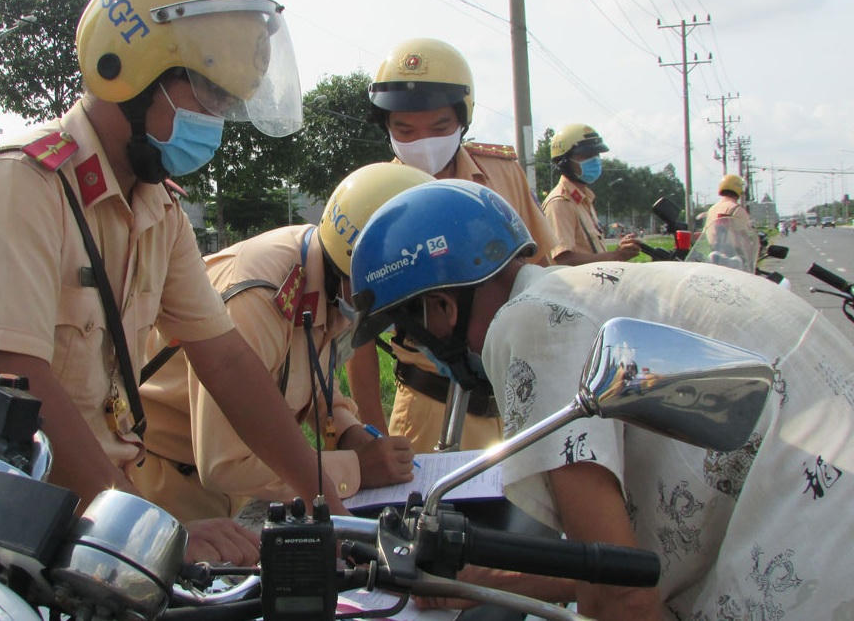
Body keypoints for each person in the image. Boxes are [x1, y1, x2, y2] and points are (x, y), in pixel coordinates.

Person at [0, 0, 338, 565]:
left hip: (88, 525)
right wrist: (145, 538)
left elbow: (225, 359)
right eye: (208, 94)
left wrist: (327, 502)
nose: (215, 120)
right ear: (132, 72)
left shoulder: (156, 209)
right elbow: (19, 381)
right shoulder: (21, 186)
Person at [349, 179, 853, 619]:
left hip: (809, 546)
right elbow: (610, 566)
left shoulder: (531, 324)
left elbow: (620, 595)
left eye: (409, 334)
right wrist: (479, 581)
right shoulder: (575, 295)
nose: (418, 350)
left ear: (441, 308)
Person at [130, 163, 428, 522]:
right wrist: (355, 469)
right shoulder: (257, 298)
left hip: (241, 486)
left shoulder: (332, 279)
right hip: (163, 486)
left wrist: (350, 433)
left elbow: (311, 375)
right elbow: (224, 463)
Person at [345, 37, 553, 453]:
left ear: (463, 119)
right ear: (386, 128)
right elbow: (358, 335)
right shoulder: (371, 201)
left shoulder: (503, 175)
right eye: (405, 130)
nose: (423, 141)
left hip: (521, 400)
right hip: (430, 407)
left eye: (439, 128)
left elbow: (543, 271)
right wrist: (374, 437)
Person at [541, 123, 641, 265]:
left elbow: (590, 253)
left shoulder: (584, 200)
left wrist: (619, 251)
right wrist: (616, 256)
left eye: (596, 154)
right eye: (586, 155)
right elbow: (564, 260)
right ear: (564, 161)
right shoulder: (560, 202)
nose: (594, 160)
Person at [702, 173, 758, 269]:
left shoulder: (712, 209)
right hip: (733, 260)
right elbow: (745, 239)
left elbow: (705, 235)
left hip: (714, 259)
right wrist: (750, 262)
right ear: (738, 188)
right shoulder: (737, 209)